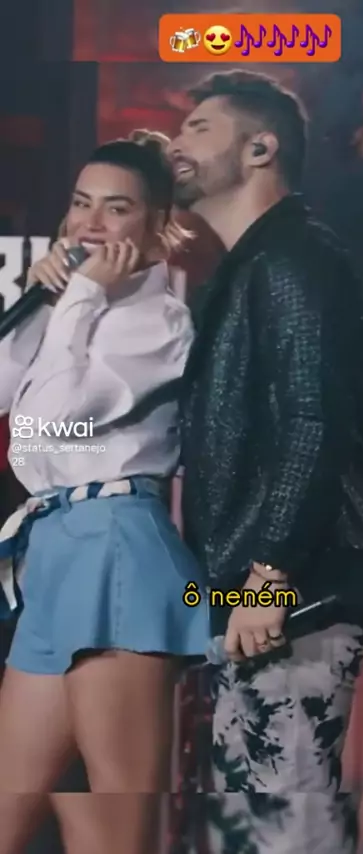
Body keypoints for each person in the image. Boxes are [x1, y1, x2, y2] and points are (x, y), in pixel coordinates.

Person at [169, 70, 363, 853]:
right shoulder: (253, 265)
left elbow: (312, 418)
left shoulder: (293, 259)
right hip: (261, 587)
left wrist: (269, 573)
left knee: (284, 826)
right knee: (256, 824)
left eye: (200, 128)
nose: (177, 143)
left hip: (297, 587)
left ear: (260, 148)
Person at [0, 130, 209, 854]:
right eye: (81, 202)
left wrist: (84, 295)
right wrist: (44, 301)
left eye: (116, 208)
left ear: (157, 225)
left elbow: (44, 426)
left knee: (117, 825)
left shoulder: (157, 320)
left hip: (115, 545)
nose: (89, 223)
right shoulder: (68, 308)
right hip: (54, 549)